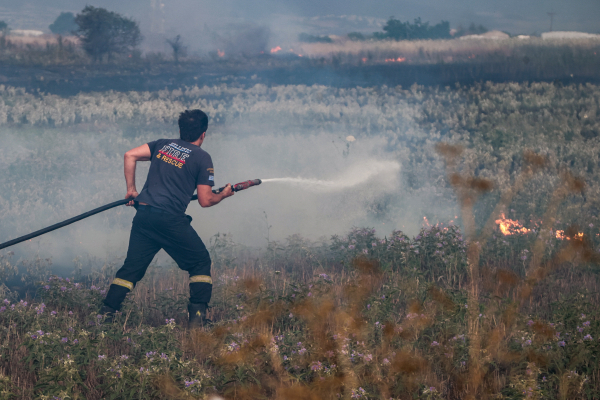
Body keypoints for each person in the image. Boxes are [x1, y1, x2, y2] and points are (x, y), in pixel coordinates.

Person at [100, 109, 233, 328]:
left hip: (144, 216)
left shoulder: (163, 145)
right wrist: (223, 194)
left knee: (132, 268)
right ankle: (197, 323)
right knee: (200, 262)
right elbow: (205, 200)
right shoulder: (202, 157)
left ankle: (105, 316)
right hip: (169, 220)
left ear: (180, 130)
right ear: (204, 134)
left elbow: (129, 155)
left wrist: (131, 190)